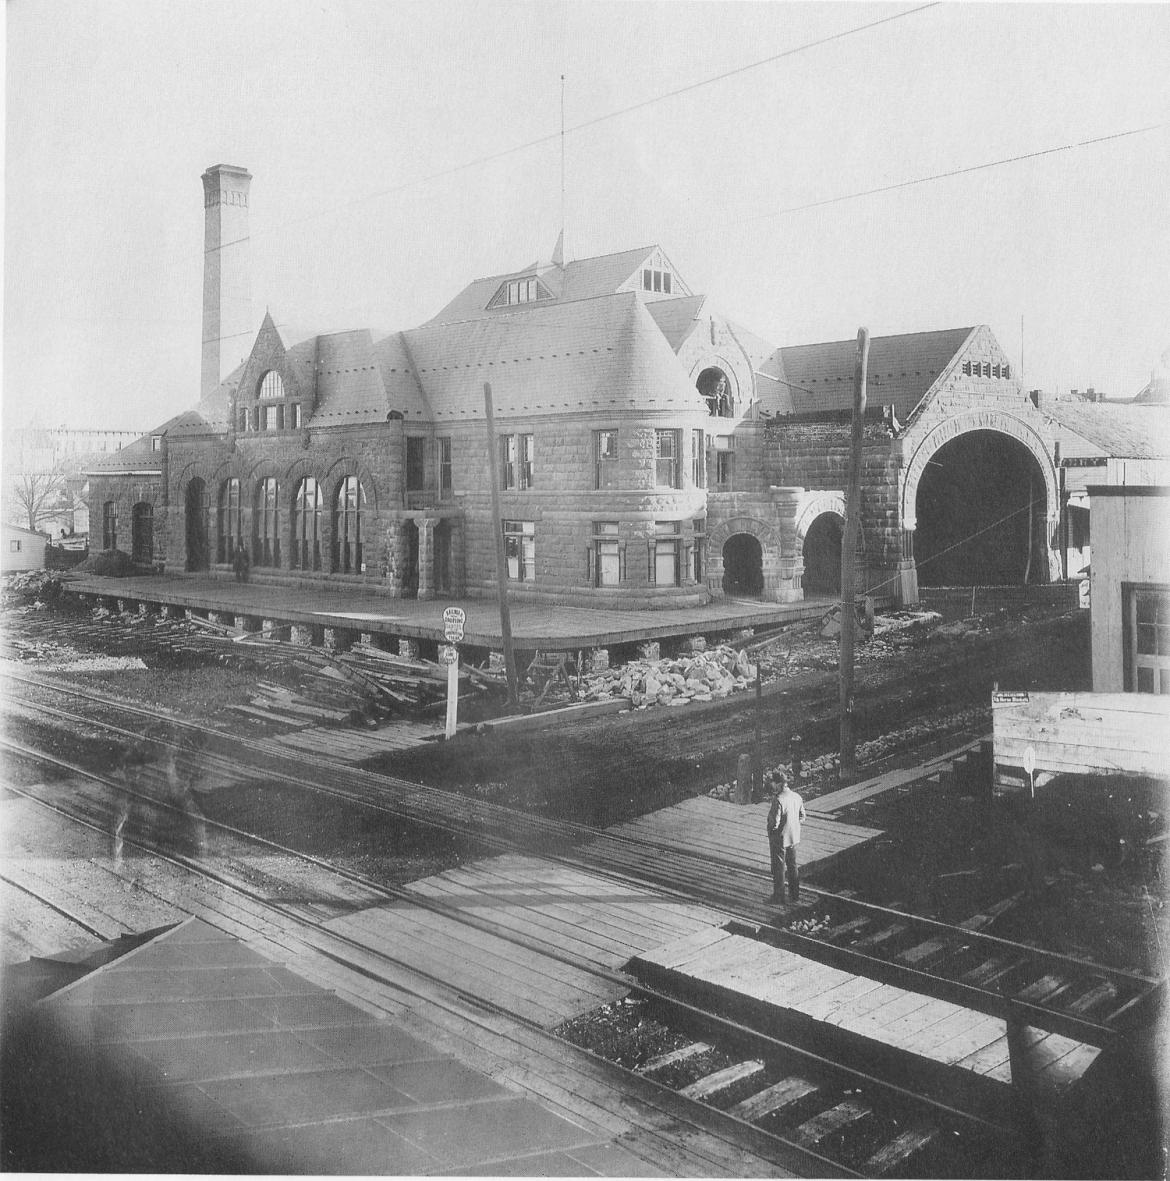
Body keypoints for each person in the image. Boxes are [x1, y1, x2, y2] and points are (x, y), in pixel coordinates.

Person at [766, 771, 806, 903]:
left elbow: (774, 823)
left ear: (778, 784)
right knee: (793, 865)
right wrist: (793, 825)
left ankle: (779, 896)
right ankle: (795, 896)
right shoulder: (797, 796)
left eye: (773, 783)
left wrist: (772, 832)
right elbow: (802, 817)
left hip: (780, 839)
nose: (772, 786)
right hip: (794, 837)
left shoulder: (778, 800)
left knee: (779, 868)